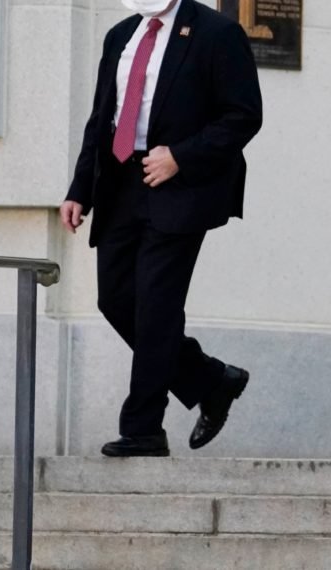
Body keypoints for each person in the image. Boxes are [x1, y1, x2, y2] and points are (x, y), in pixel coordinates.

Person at [58, 0, 263, 457]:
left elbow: (244, 114)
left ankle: (143, 428)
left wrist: (181, 158)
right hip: (119, 185)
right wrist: (79, 191)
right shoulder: (119, 36)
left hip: (181, 187)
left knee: (156, 306)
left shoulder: (215, 33)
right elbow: (102, 120)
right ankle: (211, 380)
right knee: (115, 299)